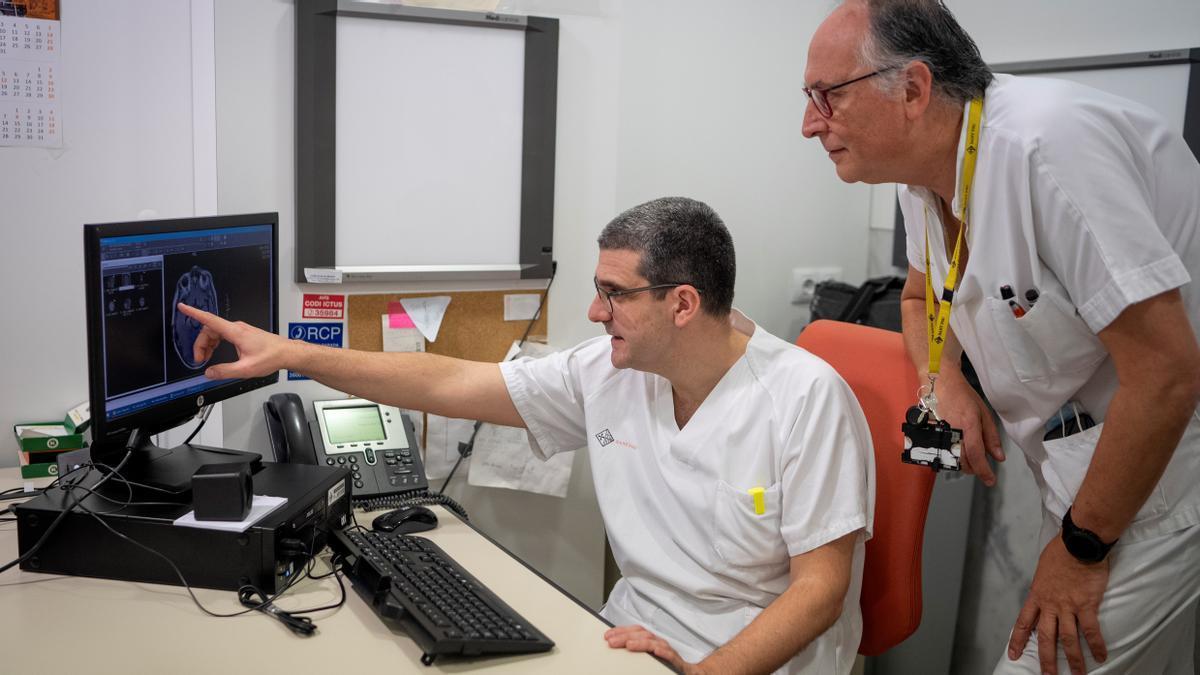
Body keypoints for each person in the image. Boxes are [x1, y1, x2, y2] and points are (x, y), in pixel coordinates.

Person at [180, 196, 875, 674]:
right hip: (629, 641)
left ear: (684, 303)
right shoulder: (612, 369)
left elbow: (820, 590)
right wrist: (289, 353)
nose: (593, 310)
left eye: (614, 293)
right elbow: (446, 381)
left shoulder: (806, 398)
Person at [801, 1, 1200, 674]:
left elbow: (1167, 374)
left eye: (827, 97)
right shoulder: (924, 173)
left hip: (1165, 471)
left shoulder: (1049, 150)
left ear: (914, 88)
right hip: (1081, 469)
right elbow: (920, 295)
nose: (811, 123)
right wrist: (942, 377)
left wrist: (1079, 549)